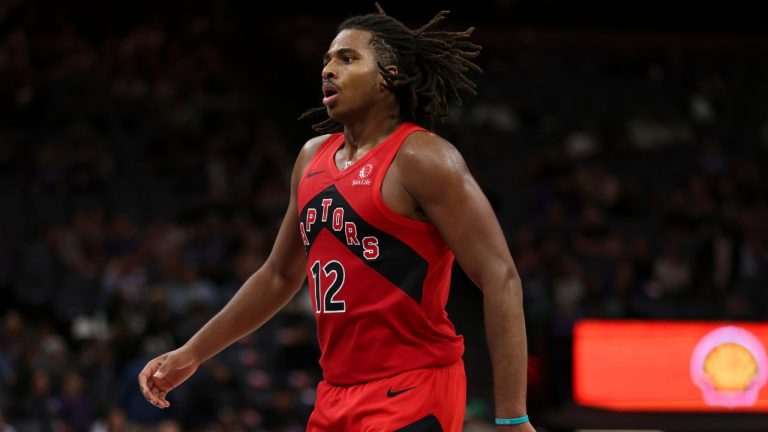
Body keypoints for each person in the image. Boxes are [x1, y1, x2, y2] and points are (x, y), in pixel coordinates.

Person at [139, 5, 534, 431]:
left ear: (388, 76)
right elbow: (278, 276)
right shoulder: (311, 157)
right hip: (335, 395)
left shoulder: (422, 157)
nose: (328, 69)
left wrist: (513, 418)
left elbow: (500, 276)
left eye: (347, 58)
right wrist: (193, 352)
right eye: (327, 59)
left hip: (414, 387)